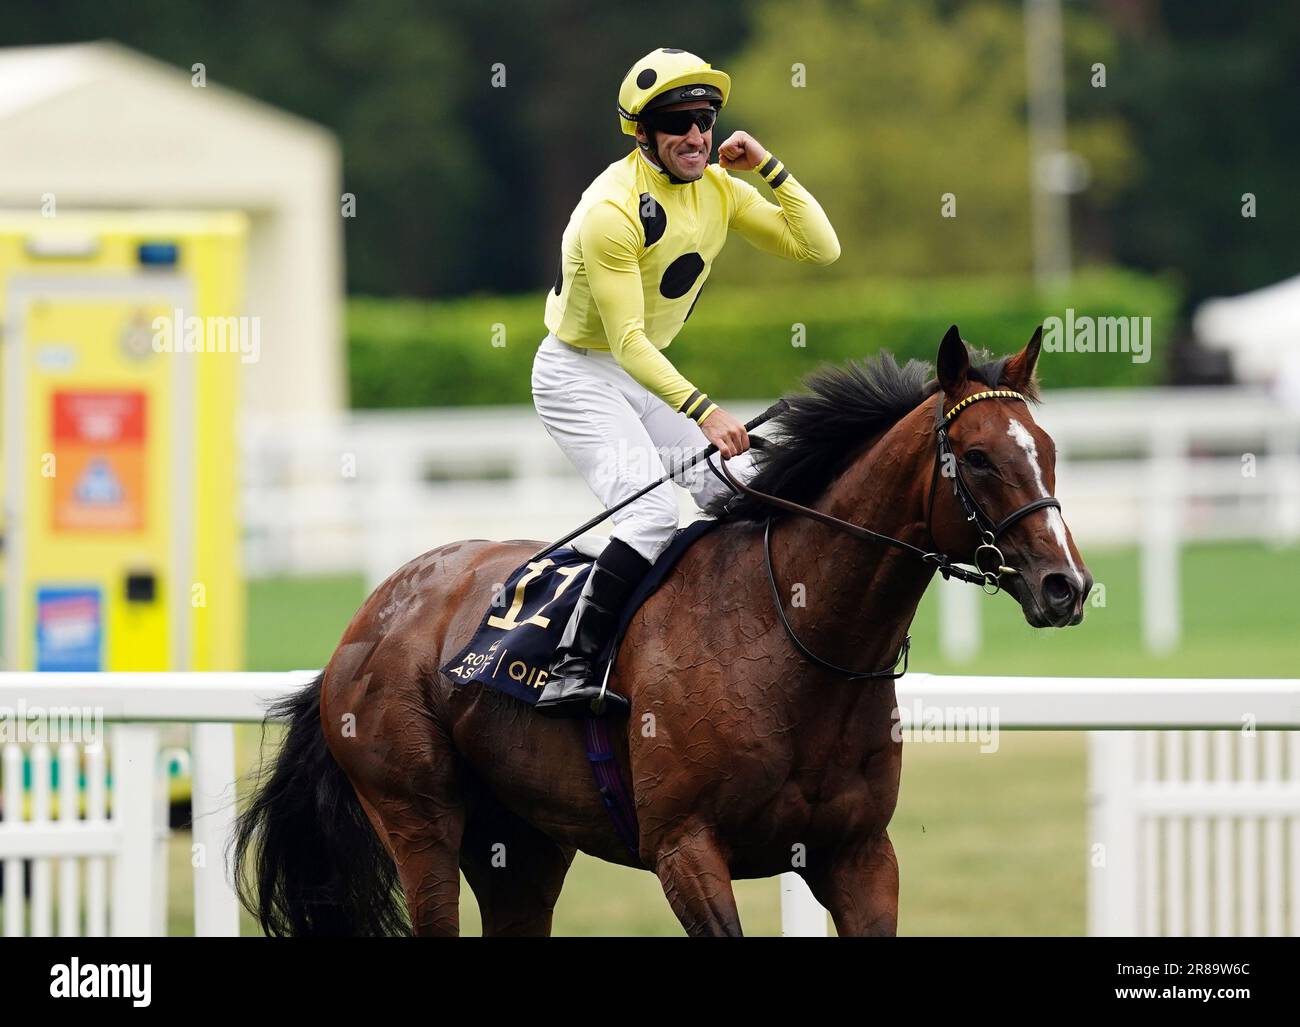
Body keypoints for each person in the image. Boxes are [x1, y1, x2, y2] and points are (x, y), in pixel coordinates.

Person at [532, 47, 841, 716]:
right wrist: (704, 412)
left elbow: (820, 247)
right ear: (642, 133)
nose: (696, 135)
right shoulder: (609, 212)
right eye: (677, 122)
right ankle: (571, 665)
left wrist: (769, 167)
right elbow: (627, 341)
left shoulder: (722, 190)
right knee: (648, 512)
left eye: (704, 118)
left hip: (643, 376)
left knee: (747, 488)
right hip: (578, 375)